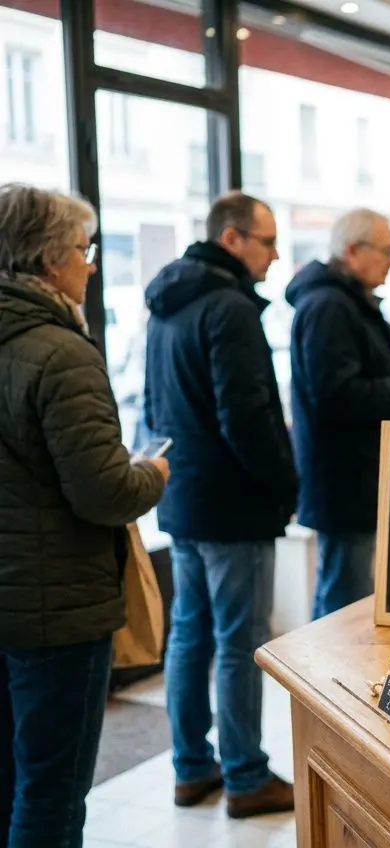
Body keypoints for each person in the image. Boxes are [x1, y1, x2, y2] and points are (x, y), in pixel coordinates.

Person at [0, 183, 168, 847]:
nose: (91, 264)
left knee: (11, 782)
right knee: (53, 794)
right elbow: (101, 491)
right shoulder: (62, 352)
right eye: (83, 248)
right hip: (55, 609)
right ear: (48, 260)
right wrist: (151, 474)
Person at [143, 191, 298, 817]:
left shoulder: (165, 305)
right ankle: (244, 774)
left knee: (190, 636)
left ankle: (191, 767)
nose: (275, 253)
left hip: (182, 494)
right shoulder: (231, 309)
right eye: (267, 241)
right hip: (234, 503)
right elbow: (248, 419)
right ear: (232, 239)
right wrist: (286, 484)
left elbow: (158, 406)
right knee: (238, 641)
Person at [288, 208, 390, 619]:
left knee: (346, 593)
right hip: (343, 482)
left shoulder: (346, 303)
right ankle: (324, 684)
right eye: (386, 250)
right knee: (342, 604)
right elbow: (335, 394)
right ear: (352, 250)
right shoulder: (328, 307)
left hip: (356, 478)